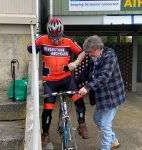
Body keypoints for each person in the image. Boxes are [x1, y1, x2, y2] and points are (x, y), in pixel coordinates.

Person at [27, 17, 89, 146]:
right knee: (48, 108)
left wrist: (76, 62)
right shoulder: (42, 39)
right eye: (52, 38)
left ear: (62, 33)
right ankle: (45, 134)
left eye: (58, 38)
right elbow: (29, 47)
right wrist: (34, 47)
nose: (55, 41)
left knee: (79, 99)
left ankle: (82, 124)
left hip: (66, 78)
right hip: (49, 81)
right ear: (48, 33)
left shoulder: (68, 41)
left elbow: (83, 52)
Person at [77, 35, 126, 150]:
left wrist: (87, 87)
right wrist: (74, 82)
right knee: (97, 118)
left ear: (98, 48)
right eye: (87, 52)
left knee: (104, 124)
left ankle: (105, 147)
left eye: (90, 52)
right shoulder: (93, 58)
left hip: (112, 96)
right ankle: (113, 141)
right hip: (102, 97)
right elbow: (86, 72)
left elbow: (104, 77)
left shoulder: (110, 57)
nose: (89, 54)